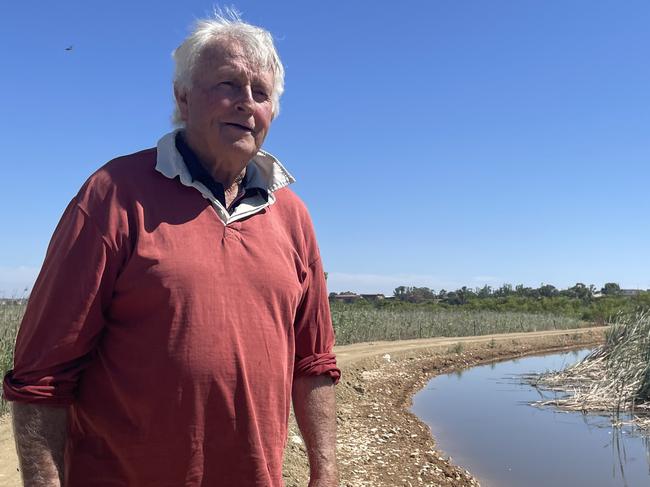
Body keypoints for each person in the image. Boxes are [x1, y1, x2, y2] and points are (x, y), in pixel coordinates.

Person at [3, 11, 340, 487]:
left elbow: (314, 362)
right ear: (182, 97)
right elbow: (41, 375)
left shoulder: (293, 215)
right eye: (228, 84)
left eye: (260, 93)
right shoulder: (112, 195)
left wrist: (324, 474)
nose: (246, 103)